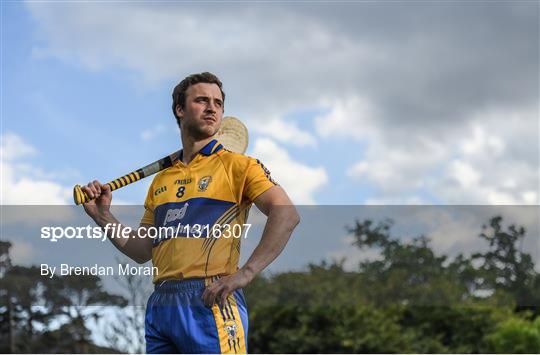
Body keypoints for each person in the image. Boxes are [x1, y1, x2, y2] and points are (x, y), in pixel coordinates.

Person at [81, 72, 300, 353]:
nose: (212, 108)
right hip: (162, 304)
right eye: (201, 100)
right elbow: (141, 250)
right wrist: (103, 217)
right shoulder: (162, 180)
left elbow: (287, 215)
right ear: (180, 109)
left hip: (211, 297)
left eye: (218, 103)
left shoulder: (240, 166)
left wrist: (246, 273)